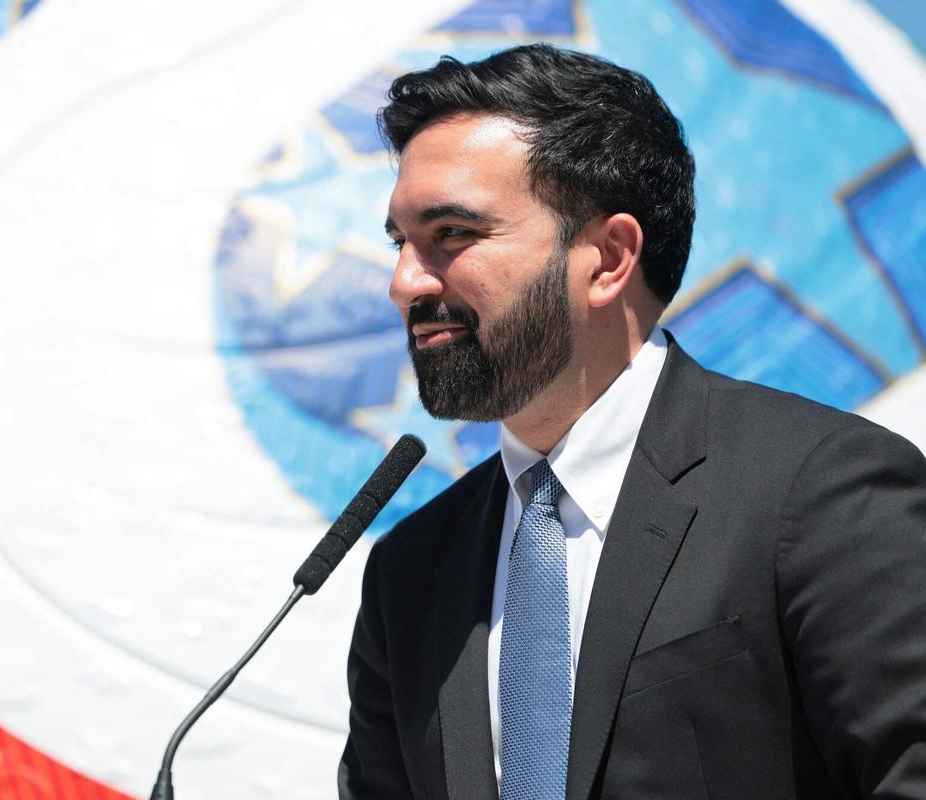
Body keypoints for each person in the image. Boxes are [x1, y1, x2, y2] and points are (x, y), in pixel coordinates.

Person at [338, 43, 926, 800]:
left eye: (451, 234)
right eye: (401, 242)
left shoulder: (820, 488)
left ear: (609, 258)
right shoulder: (411, 571)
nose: (403, 283)